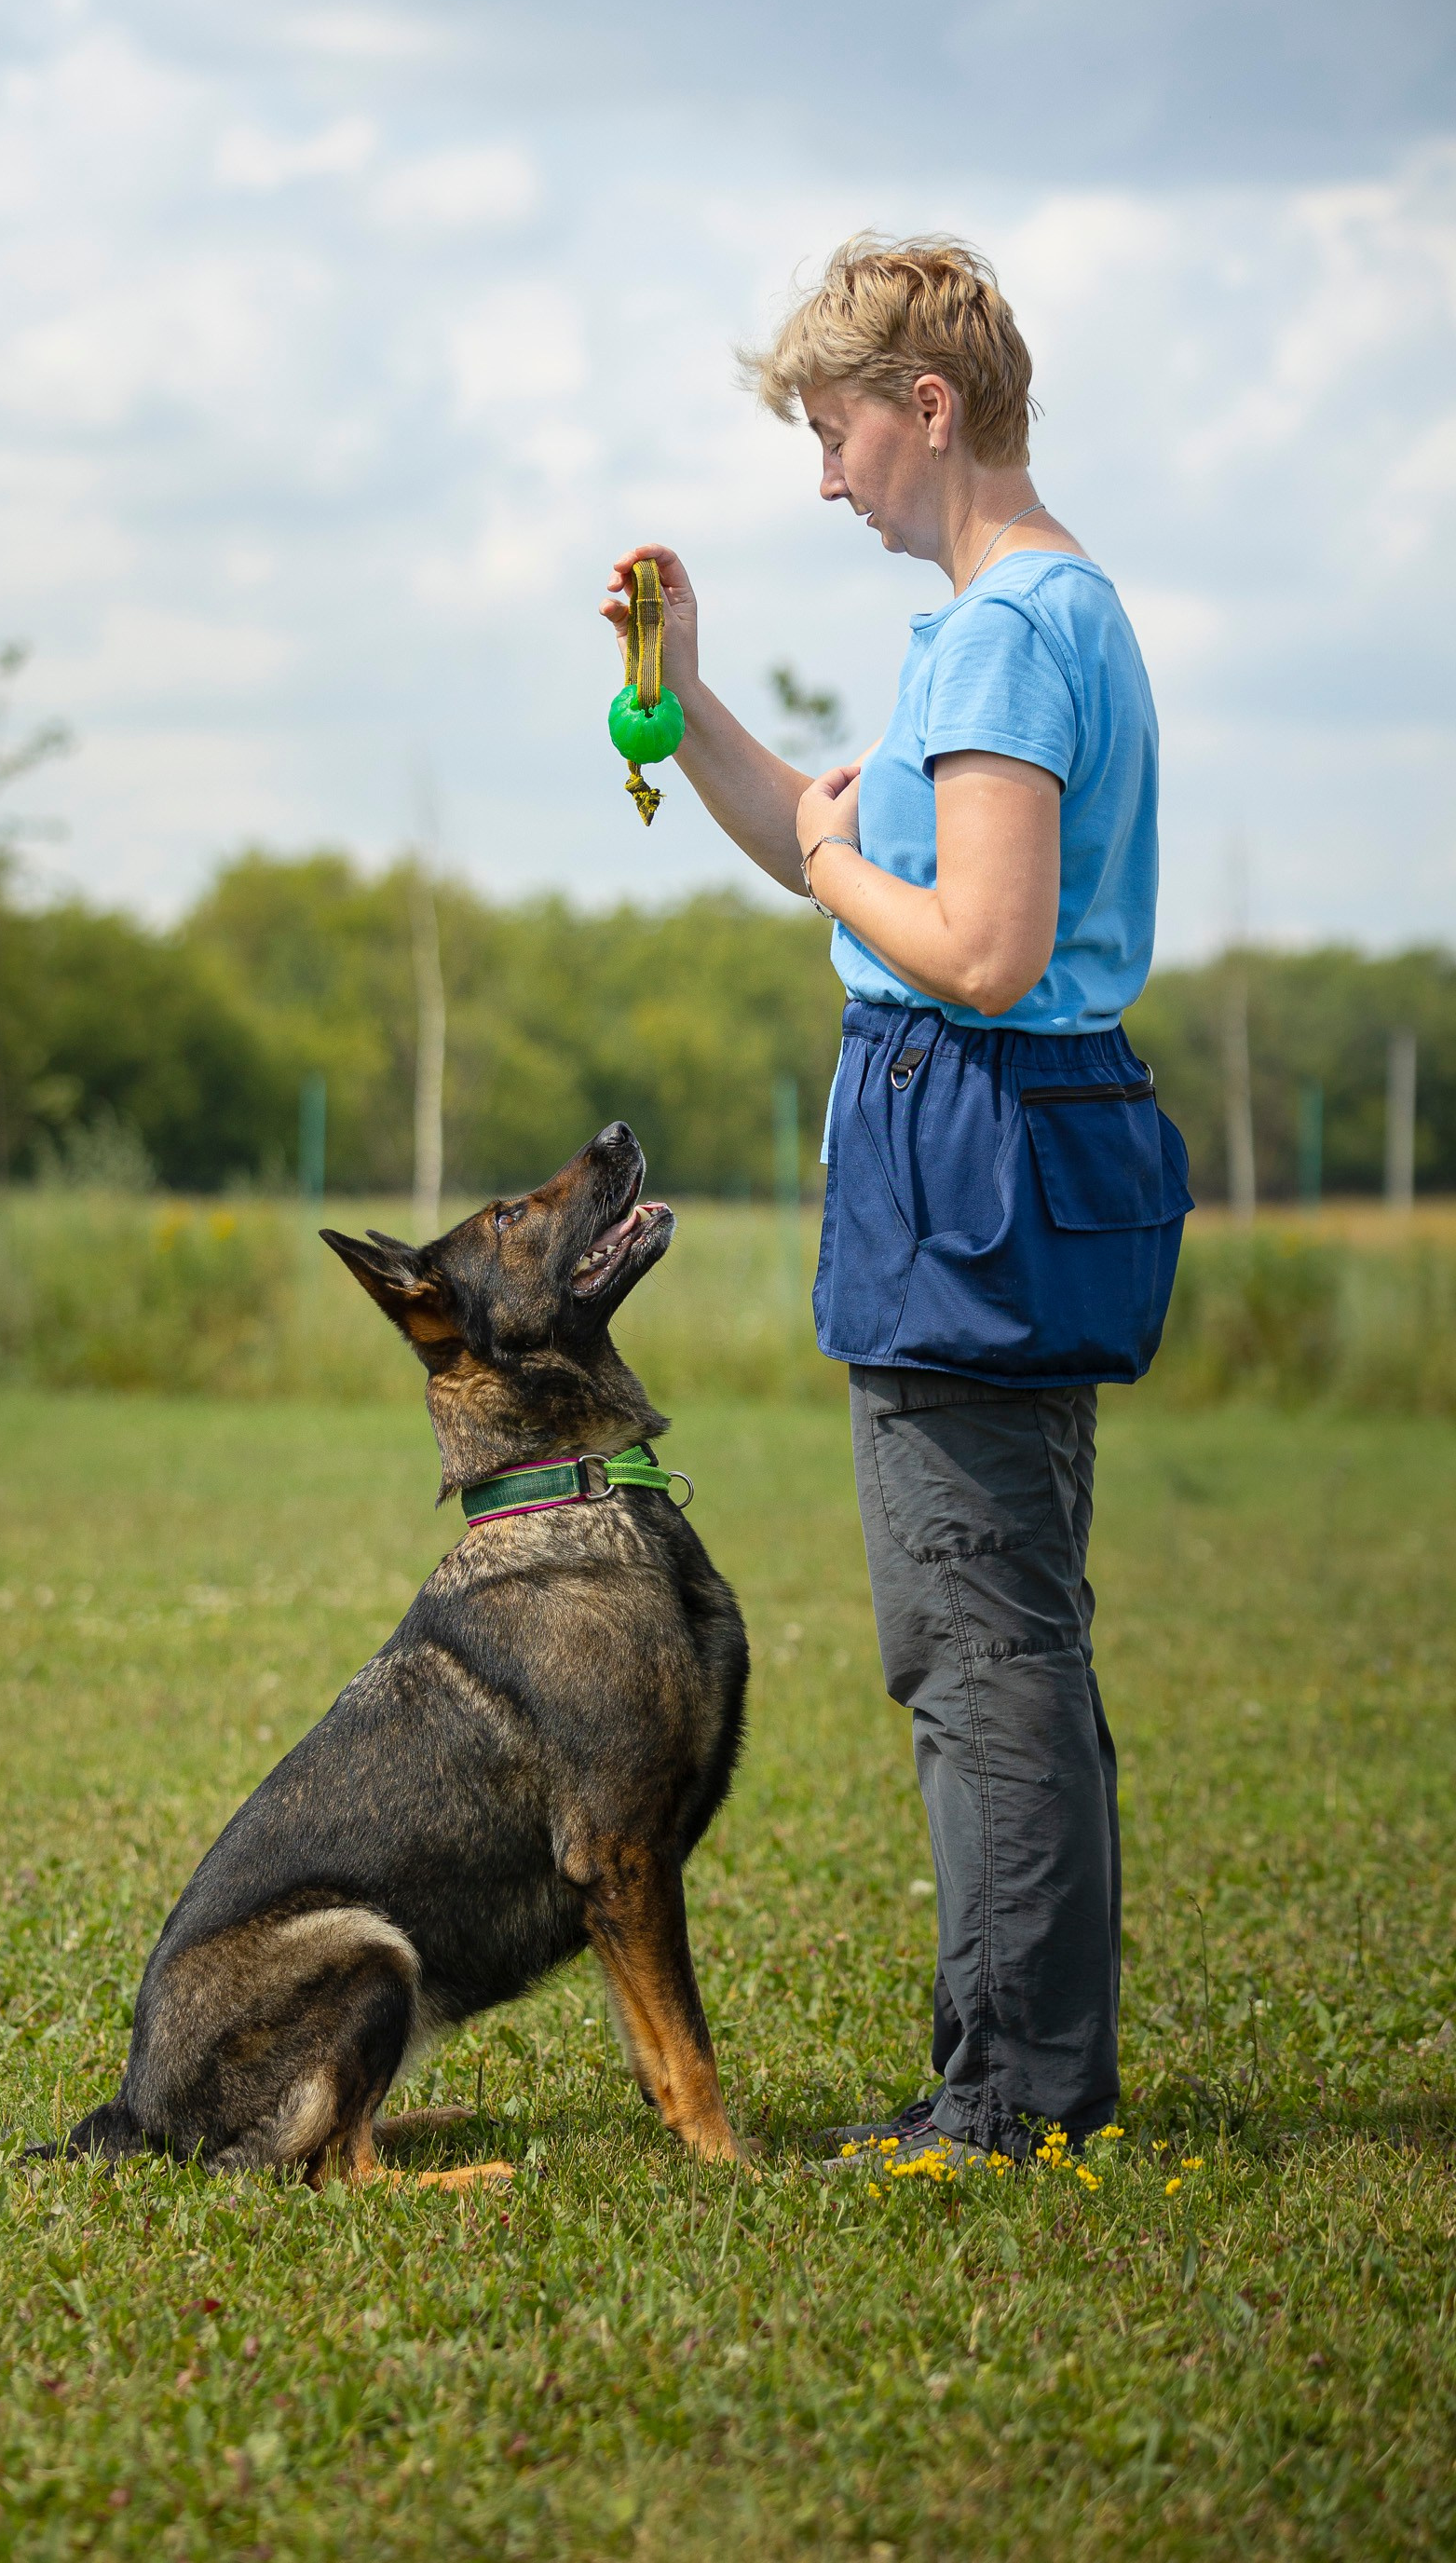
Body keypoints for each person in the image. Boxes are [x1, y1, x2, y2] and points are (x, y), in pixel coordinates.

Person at [601, 235, 1191, 2169]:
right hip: (997, 1145)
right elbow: (828, 854)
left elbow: (983, 943)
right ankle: (1012, 2072)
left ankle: (1012, 2095)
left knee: (978, 1645)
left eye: (834, 429)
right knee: (1007, 1624)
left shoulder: (1010, 631)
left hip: (977, 1146)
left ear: (926, 410)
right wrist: (681, 700)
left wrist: (854, 869)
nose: (825, 474)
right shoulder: (1020, 617)